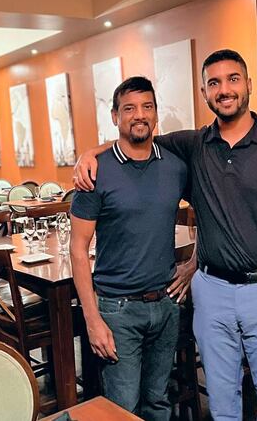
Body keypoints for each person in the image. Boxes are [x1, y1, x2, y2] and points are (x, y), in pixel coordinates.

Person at [74, 49, 257, 420]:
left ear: (248, 84)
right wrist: (91, 153)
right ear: (204, 92)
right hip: (212, 293)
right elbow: (137, 140)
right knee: (221, 405)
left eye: (233, 79)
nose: (224, 90)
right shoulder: (193, 146)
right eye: (214, 83)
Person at [69, 76, 193, 421]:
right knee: (123, 409)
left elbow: (211, 213)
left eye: (147, 106)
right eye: (129, 108)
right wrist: (92, 320)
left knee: (159, 403)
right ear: (115, 116)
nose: (139, 115)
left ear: (156, 113)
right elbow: (77, 250)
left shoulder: (176, 166)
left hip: (166, 304)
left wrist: (194, 263)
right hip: (117, 310)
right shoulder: (95, 173)